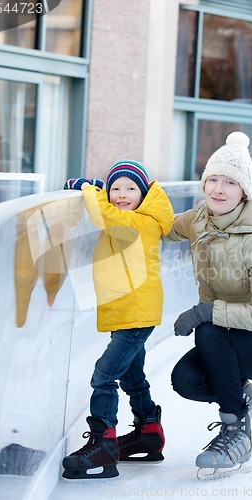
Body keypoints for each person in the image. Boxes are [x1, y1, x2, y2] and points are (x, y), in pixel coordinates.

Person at [164, 131, 252, 477]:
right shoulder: (200, 218)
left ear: (244, 191)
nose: (218, 189)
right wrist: (118, 194)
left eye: (229, 182)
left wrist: (202, 311)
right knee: (185, 378)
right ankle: (241, 396)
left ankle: (236, 431)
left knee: (209, 331)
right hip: (229, 337)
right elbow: (163, 228)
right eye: (212, 179)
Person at [62, 159, 174, 479]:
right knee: (131, 376)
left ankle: (104, 444)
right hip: (128, 311)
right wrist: (97, 190)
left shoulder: (144, 221)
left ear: (144, 193)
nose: (121, 194)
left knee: (104, 375)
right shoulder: (130, 215)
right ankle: (149, 431)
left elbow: (105, 216)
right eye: (115, 188)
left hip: (137, 314)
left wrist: (88, 188)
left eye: (130, 188)